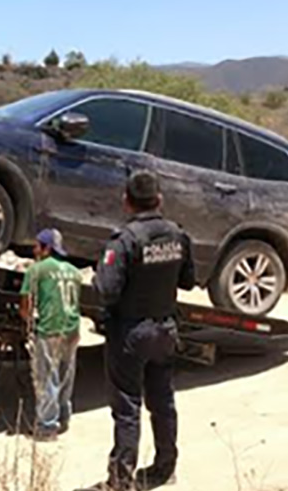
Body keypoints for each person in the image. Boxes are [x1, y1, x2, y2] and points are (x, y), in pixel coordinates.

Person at [89, 170, 196, 491]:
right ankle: (165, 468)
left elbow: (106, 290)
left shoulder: (124, 240)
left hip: (131, 333)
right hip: (165, 330)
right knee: (163, 402)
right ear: (159, 200)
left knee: (127, 407)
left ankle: (121, 480)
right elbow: (188, 281)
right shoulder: (179, 236)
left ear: (127, 202)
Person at [20, 228, 83, 441]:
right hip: (72, 328)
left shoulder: (36, 270)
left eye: (37, 245)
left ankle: (47, 427)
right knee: (66, 375)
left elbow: (26, 303)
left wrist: (28, 321)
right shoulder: (74, 272)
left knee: (47, 377)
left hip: (49, 328)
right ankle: (64, 417)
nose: (34, 249)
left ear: (47, 248)